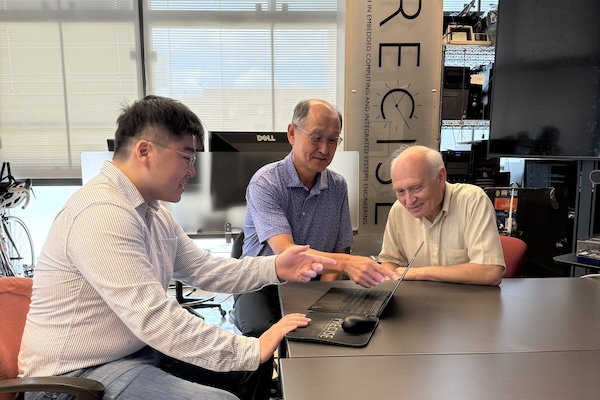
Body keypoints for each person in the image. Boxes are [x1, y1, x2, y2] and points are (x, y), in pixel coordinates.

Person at [18, 95, 337, 400]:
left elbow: (205, 270)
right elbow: (154, 316)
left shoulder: (151, 211)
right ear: (144, 151)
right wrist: (249, 348)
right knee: (231, 381)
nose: (192, 171)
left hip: (134, 352)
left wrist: (276, 267)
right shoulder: (102, 212)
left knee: (252, 368)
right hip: (72, 380)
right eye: (186, 157)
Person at [234, 99, 397, 339]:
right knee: (263, 332)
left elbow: (339, 248)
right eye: (316, 137)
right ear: (292, 133)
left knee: (330, 329)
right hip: (262, 282)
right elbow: (287, 253)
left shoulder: (337, 185)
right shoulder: (266, 182)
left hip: (312, 283)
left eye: (333, 140)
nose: (324, 149)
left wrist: (323, 295)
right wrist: (345, 264)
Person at [379, 144, 505, 286]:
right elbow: (390, 262)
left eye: (416, 188)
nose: (409, 201)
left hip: (466, 304)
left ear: (440, 177)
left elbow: (490, 272)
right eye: (400, 191)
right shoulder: (399, 210)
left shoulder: (472, 200)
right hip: (418, 303)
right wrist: (389, 277)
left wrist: (418, 272)